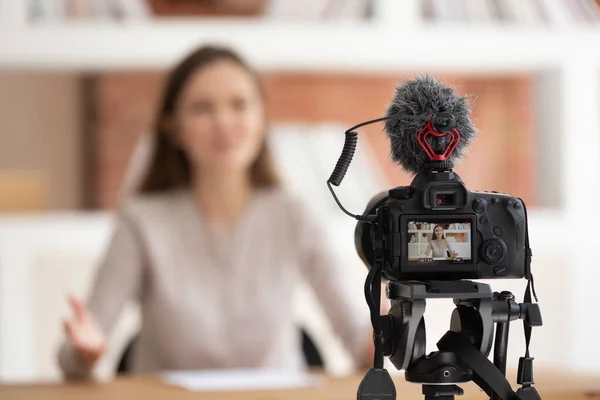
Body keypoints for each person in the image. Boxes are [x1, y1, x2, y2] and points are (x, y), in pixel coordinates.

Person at [57, 45, 374, 380]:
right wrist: (82, 354)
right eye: (202, 108)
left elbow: (360, 346)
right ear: (173, 128)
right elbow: (73, 354)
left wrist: (388, 328)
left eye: (239, 105)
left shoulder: (296, 215)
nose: (223, 122)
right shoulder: (141, 221)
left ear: (261, 119)